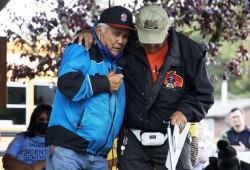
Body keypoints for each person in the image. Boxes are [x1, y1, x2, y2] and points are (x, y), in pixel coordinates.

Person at [77, 5, 214, 170]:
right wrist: (87, 31)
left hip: (172, 136)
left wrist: (185, 111)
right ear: (137, 29)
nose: (151, 46)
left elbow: (204, 94)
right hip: (132, 139)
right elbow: (105, 36)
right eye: (146, 39)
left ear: (167, 29)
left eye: (156, 40)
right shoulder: (126, 43)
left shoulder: (189, 51)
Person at [45, 6, 134, 170]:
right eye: (116, 34)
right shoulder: (81, 46)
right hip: (69, 150)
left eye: (125, 36)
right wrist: (106, 83)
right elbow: (67, 83)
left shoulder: (120, 60)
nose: (121, 41)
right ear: (99, 31)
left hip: (99, 155)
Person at [2, 103, 52, 170]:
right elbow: (7, 161)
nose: (45, 122)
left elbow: (65, 162)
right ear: (34, 120)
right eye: (41, 119)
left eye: (48, 120)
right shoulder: (21, 138)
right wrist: (29, 168)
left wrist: (42, 164)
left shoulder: (60, 141)